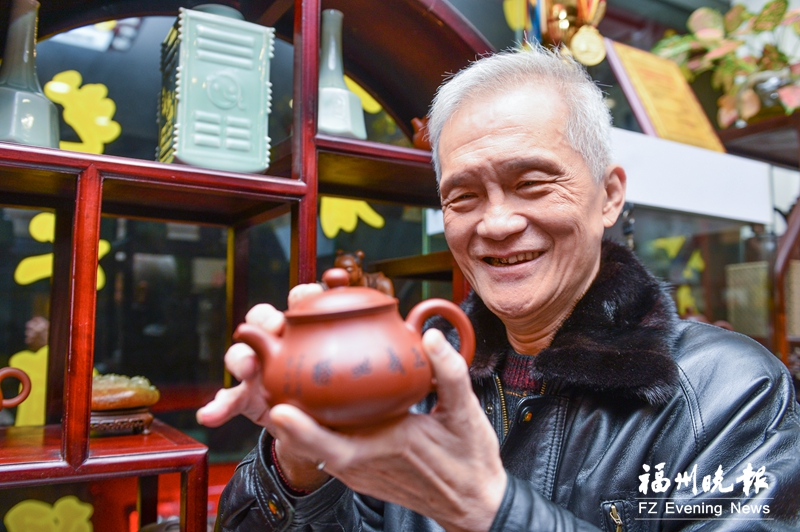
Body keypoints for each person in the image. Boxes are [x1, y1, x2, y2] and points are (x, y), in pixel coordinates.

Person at [198, 47, 800, 531]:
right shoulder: (407, 377)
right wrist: (299, 464)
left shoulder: (726, 392)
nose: (496, 223)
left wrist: (490, 510)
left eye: (532, 183)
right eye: (463, 196)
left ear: (609, 196)